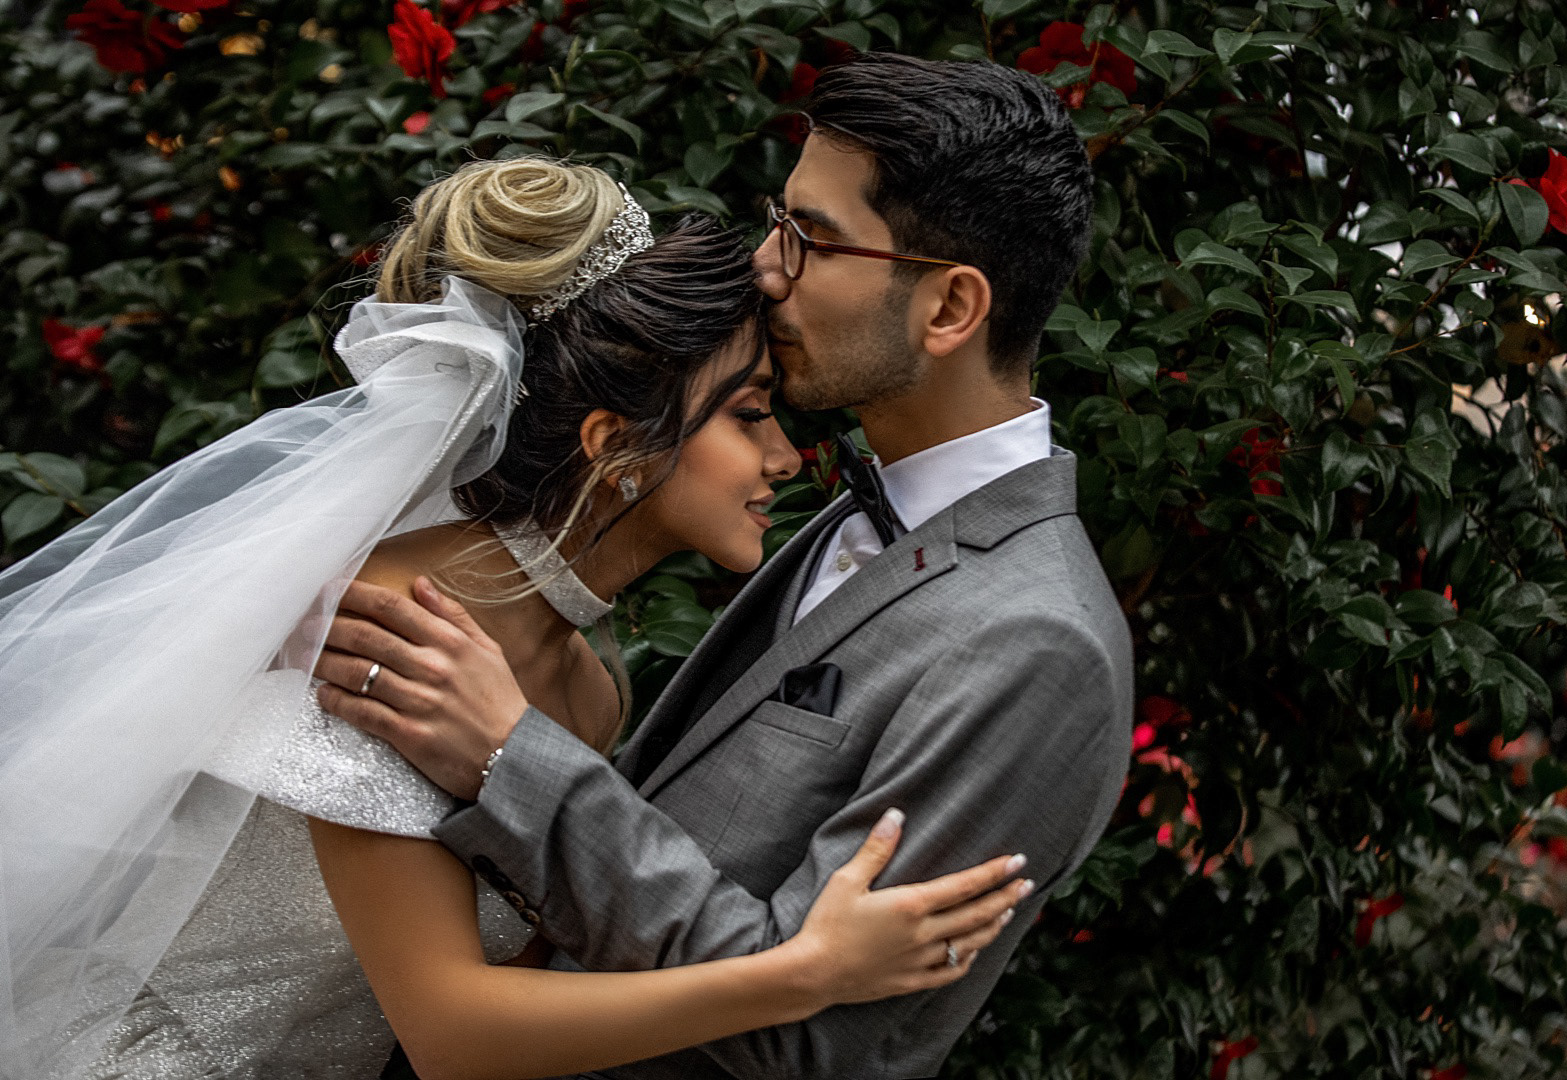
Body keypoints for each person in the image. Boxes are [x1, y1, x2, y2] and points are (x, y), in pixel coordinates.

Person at [0, 157, 1028, 1080]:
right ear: (614, 444)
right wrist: (807, 972)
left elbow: (539, 976)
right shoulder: (390, 631)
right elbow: (454, 1036)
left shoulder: (587, 683)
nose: (786, 460)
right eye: (749, 414)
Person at [319, 53, 1134, 1080]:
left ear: (947, 310)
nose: (766, 266)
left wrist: (508, 755)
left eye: (811, 239)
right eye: (776, 220)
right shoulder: (857, 518)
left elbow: (819, 1042)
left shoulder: (1037, 642)